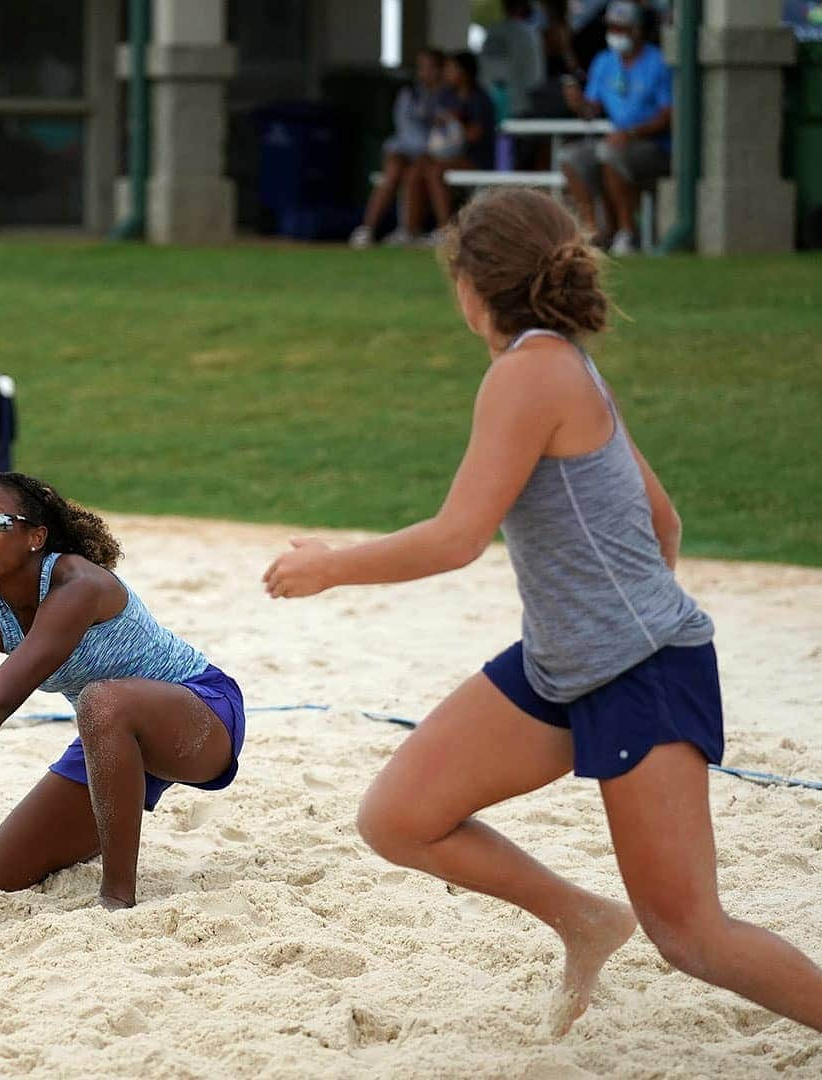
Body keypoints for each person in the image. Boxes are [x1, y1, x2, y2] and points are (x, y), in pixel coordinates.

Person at [263, 188, 822, 1034]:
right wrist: (604, 621)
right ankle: (586, 919)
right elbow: (662, 520)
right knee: (400, 818)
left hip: (637, 673)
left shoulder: (529, 373)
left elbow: (457, 539)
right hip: (566, 664)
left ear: (470, 286)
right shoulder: (558, 360)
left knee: (694, 936)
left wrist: (328, 568)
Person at [0, 472, 246, 909]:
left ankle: (117, 898)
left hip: (199, 712)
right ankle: (114, 810)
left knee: (101, 700)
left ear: (35, 537)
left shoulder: (77, 585)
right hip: (110, 741)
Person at [560, 0, 671, 255]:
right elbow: (592, 110)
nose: (615, 34)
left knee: (609, 153)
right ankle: (593, 231)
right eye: (612, 28)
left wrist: (631, 134)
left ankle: (627, 232)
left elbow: (667, 117)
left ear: (637, 30)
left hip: (653, 145)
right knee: (571, 157)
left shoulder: (657, 62)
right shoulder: (604, 61)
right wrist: (577, 103)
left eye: (621, 28)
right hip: (616, 139)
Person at [350, 48, 445, 249]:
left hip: (431, 155)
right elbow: (405, 130)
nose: (423, 73)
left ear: (439, 70)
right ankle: (367, 228)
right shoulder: (409, 94)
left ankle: (409, 230)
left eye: (428, 67)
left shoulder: (447, 96)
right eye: (420, 68)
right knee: (391, 174)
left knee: (413, 174)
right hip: (406, 149)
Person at [407, 52, 497, 245]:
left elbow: (475, 136)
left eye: (450, 68)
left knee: (436, 171)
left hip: (475, 159)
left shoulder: (480, 98)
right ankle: (410, 230)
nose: (446, 73)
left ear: (463, 72)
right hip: (448, 156)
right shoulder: (447, 96)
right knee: (417, 168)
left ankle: (445, 229)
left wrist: (456, 121)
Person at [478, 0, 546, 120]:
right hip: (517, 104)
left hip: (490, 100)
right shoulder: (528, 33)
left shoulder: (492, 31)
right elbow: (536, 77)